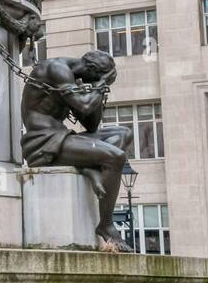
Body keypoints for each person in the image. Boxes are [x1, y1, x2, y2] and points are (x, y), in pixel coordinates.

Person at [20, 50, 134, 250]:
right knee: (116, 157)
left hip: (62, 138)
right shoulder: (57, 69)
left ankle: (88, 167)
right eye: (98, 77)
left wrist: (96, 91)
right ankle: (106, 225)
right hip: (42, 142)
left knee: (124, 133)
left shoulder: (74, 79)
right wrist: (101, 85)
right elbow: (84, 105)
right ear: (91, 70)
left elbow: (91, 125)